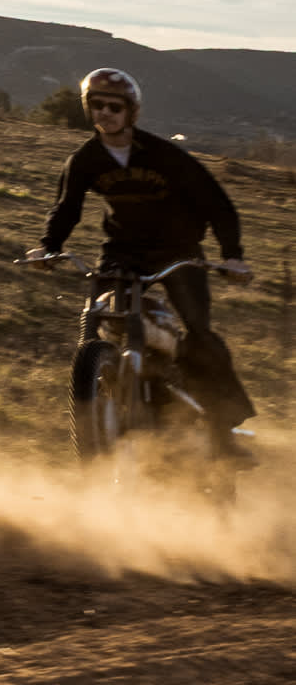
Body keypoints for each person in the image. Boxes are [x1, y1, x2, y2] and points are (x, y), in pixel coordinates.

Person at [27, 65, 259, 455]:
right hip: (123, 250)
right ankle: (95, 415)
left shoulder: (165, 156)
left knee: (199, 332)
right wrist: (49, 246)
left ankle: (223, 433)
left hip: (177, 251)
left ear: (130, 111)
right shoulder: (85, 159)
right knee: (95, 320)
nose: (104, 113)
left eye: (114, 107)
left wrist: (232, 257)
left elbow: (217, 204)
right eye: (96, 105)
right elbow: (66, 208)